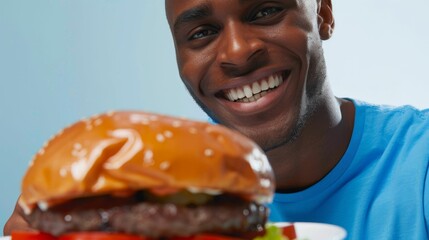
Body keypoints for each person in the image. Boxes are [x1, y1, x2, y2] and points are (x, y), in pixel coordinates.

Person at [4, 0, 429, 239]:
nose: (238, 52)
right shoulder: (143, 193)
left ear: (323, 14)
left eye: (264, 10)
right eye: (201, 33)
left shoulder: (419, 161)